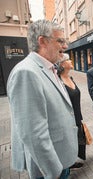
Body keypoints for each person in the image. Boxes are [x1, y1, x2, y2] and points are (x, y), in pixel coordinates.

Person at [7, 20, 77, 179]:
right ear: (42, 41)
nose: (65, 46)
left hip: (61, 157)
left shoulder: (49, 67)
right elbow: (34, 133)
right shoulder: (26, 72)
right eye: (60, 41)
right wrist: (54, 171)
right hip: (51, 169)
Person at [57, 53, 86, 169]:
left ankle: (73, 160)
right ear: (62, 64)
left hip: (77, 115)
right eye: (68, 60)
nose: (71, 61)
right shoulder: (58, 81)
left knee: (79, 138)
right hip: (67, 118)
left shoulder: (71, 78)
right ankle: (67, 164)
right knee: (69, 141)